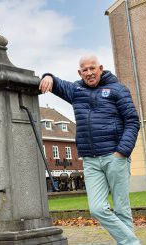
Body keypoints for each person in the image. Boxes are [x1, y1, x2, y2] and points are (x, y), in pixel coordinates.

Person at [39, 55, 140, 245]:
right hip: (91, 160)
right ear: (80, 72)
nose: (89, 73)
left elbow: (133, 121)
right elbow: (58, 84)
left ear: (100, 68)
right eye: (84, 70)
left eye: (92, 68)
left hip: (114, 156)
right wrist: (48, 76)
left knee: (121, 209)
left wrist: (122, 151)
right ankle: (133, 243)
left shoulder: (118, 89)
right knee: (96, 209)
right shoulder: (76, 90)